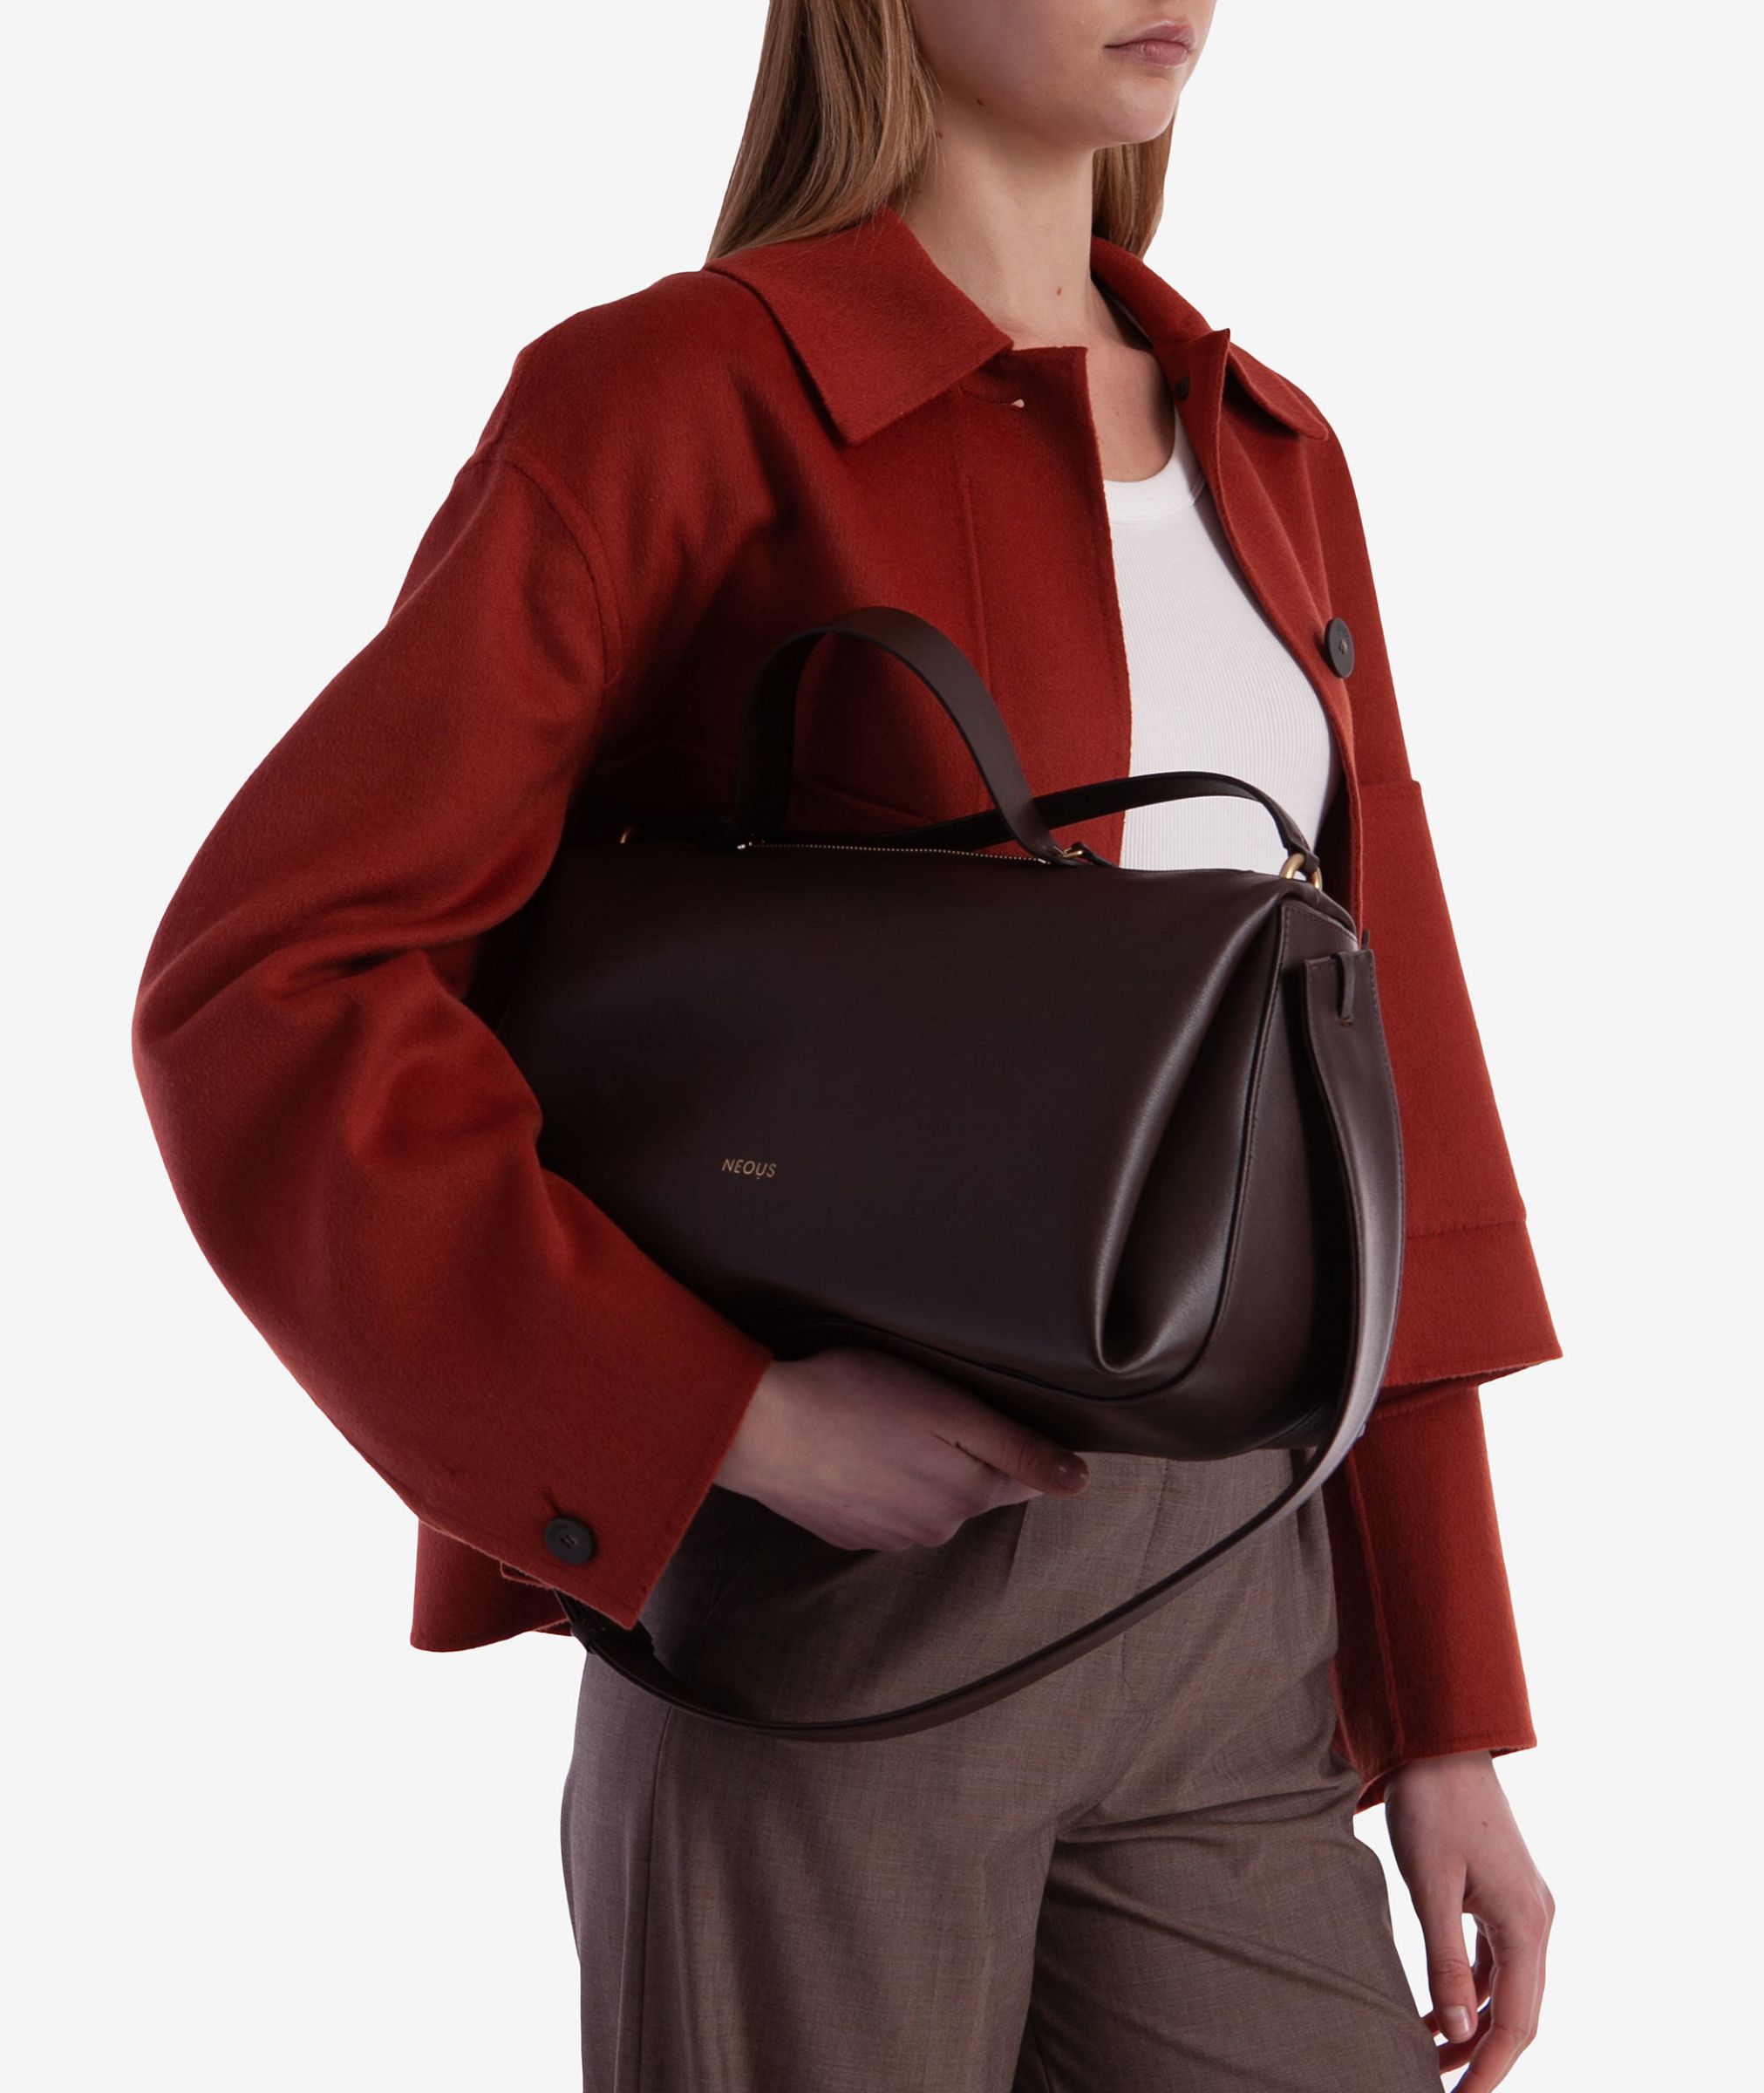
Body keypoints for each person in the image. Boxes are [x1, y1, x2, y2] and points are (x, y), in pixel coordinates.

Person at [132, 3, 1563, 2087]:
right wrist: (713, 1418)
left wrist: (1446, 1715)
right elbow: (273, 977)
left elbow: (1387, 1079)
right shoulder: (670, 400)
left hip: (1240, 1603)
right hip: (840, 1615)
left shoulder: (1276, 451)